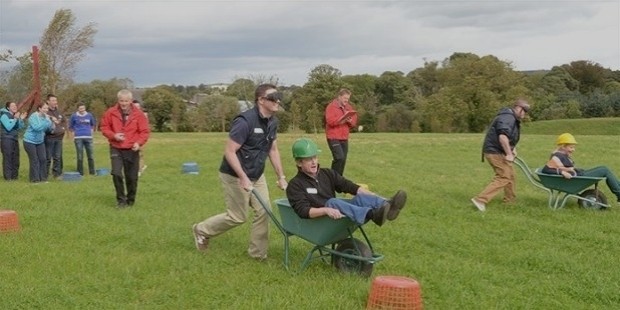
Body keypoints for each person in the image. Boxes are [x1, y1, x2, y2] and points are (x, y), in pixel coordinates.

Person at [192, 83, 287, 260]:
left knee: (264, 210)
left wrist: (281, 177)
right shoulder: (245, 121)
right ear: (261, 100)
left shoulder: (273, 122)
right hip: (234, 175)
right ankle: (201, 230)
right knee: (238, 216)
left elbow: (272, 150)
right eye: (273, 97)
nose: (277, 101)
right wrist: (243, 177)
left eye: (278, 97)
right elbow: (229, 151)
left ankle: (257, 255)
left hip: (257, 174)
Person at [286, 138, 407, 226]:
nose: (313, 162)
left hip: (337, 214)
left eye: (315, 157)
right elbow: (303, 211)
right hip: (321, 220)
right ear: (299, 163)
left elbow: (347, 186)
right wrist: (326, 210)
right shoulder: (295, 185)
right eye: (308, 159)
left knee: (361, 197)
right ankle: (372, 214)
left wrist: (371, 195)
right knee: (333, 202)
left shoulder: (327, 173)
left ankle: (388, 204)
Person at [471, 99, 531, 211]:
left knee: (511, 175)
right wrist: (508, 153)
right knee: (504, 176)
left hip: (498, 150)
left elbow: (508, 137)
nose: (525, 114)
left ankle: (510, 201)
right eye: (525, 111)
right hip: (495, 152)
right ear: (518, 108)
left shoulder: (510, 117)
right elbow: (502, 136)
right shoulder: (508, 118)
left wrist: (513, 149)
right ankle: (480, 200)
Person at [100, 89, 150, 208]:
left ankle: (130, 200)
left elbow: (144, 132)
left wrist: (138, 143)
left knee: (132, 177)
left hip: (132, 148)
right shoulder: (110, 112)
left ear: (130, 101)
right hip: (116, 147)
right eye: (121, 101)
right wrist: (114, 135)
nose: (123, 103)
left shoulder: (139, 114)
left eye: (126, 101)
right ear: (118, 100)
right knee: (116, 173)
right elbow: (104, 127)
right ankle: (121, 201)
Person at [542, 133, 620, 202]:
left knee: (604, 168)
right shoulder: (557, 156)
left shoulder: (561, 155)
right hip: (577, 179)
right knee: (604, 170)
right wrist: (562, 172)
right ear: (563, 146)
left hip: (579, 176)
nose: (573, 150)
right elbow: (546, 169)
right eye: (571, 147)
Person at [324, 88, 358, 176]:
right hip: (333, 137)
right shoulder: (331, 107)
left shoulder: (349, 107)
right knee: (339, 158)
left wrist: (350, 120)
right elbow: (330, 121)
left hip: (344, 137)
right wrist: (340, 120)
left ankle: (339, 180)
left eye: (348, 99)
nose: (346, 100)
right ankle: (332, 178)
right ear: (339, 97)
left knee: (343, 160)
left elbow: (354, 123)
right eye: (345, 98)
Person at [23, 103, 54, 183]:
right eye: (44, 108)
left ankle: (43, 179)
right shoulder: (33, 117)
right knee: (34, 160)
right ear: (39, 109)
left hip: (40, 141)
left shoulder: (46, 117)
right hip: (29, 141)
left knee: (43, 159)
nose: (46, 110)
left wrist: (52, 123)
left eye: (47, 109)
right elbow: (37, 128)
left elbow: (49, 128)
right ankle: (34, 180)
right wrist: (47, 121)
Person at [0, 101, 27, 180]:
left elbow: (20, 127)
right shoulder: (4, 116)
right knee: (8, 158)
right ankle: (8, 177)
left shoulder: (15, 116)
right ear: (8, 108)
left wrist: (21, 119)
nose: (15, 107)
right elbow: (8, 127)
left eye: (15, 105)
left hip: (15, 139)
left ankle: (15, 177)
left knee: (16, 158)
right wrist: (15, 119)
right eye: (12, 106)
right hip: (6, 139)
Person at [69, 102, 97, 176]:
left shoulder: (89, 115)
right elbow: (71, 127)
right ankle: (80, 172)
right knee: (80, 156)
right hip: (78, 138)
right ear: (78, 109)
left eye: (83, 108)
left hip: (88, 137)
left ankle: (92, 172)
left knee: (90, 156)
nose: (82, 110)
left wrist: (91, 133)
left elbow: (93, 125)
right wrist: (73, 136)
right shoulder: (74, 116)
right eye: (80, 108)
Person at [44, 94, 66, 179]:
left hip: (59, 138)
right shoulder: (46, 112)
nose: (54, 102)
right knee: (48, 157)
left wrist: (63, 128)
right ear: (48, 101)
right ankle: (45, 174)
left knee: (58, 157)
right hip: (49, 138)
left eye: (55, 100)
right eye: (52, 100)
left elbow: (64, 121)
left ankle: (56, 174)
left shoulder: (59, 112)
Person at [132, 99, 148, 176]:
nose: (137, 108)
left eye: (138, 106)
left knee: (139, 153)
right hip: (132, 138)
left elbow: (145, 128)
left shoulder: (143, 115)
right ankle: (139, 168)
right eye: (135, 106)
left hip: (140, 138)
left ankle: (139, 169)